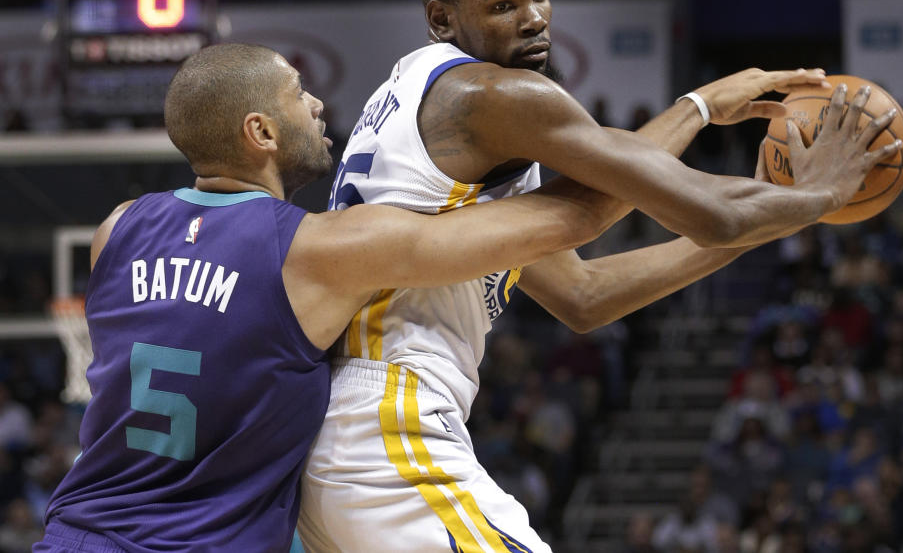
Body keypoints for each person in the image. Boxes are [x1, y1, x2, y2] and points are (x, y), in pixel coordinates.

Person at [298, 0, 901, 552]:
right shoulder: (490, 94)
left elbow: (582, 294)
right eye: (504, 5)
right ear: (443, 19)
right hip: (388, 426)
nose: (534, 18)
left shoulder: (419, 96)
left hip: (345, 441)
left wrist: (704, 119)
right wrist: (822, 194)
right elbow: (694, 208)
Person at [32, 43, 648, 552]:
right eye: (299, 94)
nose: (318, 102)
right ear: (262, 132)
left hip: (76, 534)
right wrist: (694, 111)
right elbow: (571, 221)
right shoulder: (313, 252)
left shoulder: (118, 229)